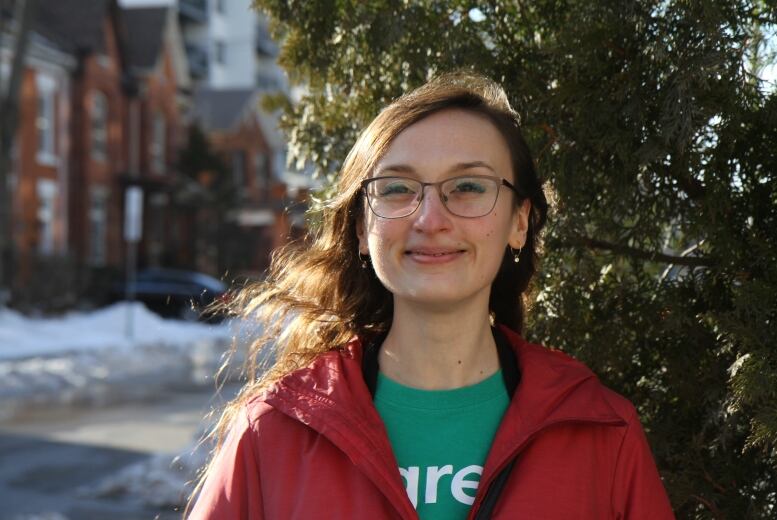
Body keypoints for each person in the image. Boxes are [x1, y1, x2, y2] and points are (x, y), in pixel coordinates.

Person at [187, 73, 675, 519]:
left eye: (467, 186)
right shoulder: (272, 431)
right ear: (361, 227)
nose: (430, 219)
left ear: (520, 222)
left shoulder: (602, 432)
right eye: (397, 188)